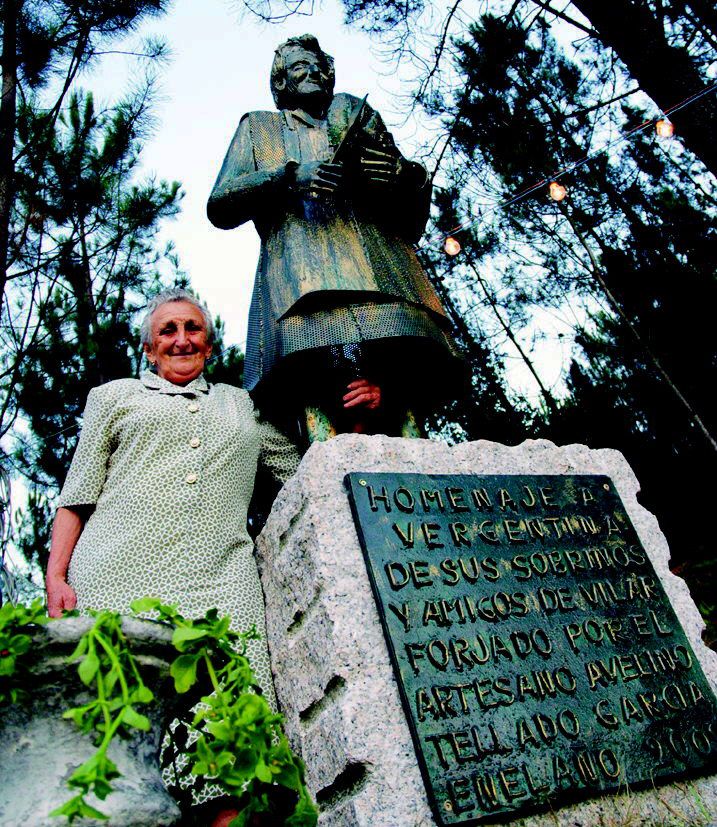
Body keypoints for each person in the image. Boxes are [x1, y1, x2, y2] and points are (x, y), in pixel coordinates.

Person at [45, 288, 312, 826]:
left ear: (209, 345)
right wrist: (56, 575)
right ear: (148, 348)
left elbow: (308, 472)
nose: (181, 339)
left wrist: (360, 412)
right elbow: (78, 495)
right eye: (167, 330)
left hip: (222, 583)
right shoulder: (113, 398)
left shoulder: (243, 405)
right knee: (128, 722)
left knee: (234, 721)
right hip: (119, 576)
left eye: (192, 328)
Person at [207, 34, 463, 442]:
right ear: (281, 83)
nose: (310, 72)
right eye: (297, 67)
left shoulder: (355, 112)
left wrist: (403, 179)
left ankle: (423, 474)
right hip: (300, 286)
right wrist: (288, 176)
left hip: (384, 276)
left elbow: (410, 219)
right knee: (312, 390)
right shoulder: (259, 127)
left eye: (316, 64)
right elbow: (220, 204)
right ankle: (326, 484)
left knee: (401, 387)